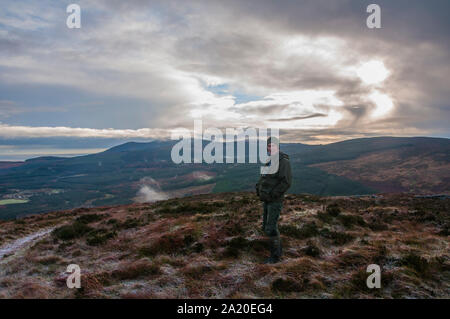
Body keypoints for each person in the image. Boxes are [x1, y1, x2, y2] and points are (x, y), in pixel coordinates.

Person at [256, 136, 292, 264]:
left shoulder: (283, 162)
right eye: (269, 146)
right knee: (266, 226)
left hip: (274, 200)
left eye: (273, 146)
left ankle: (275, 257)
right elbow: (264, 178)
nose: (270, 148)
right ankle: (275, 251)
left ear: (278, 147)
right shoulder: (269, 161)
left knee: (271, 228)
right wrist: (258, 189)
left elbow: (286, 182)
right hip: (266, 199)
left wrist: (272, 195)